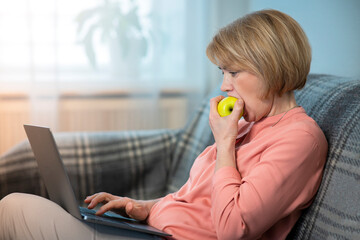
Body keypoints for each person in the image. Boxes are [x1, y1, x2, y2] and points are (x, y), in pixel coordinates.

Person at [0, 9, 327, 240]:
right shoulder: (245, 125)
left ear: (272, 69)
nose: (225, 86)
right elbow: (199, 201)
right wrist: (146, 208)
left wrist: (224, 144)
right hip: (157, 232)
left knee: (14, 210)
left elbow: (231, 227)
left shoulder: (299, 138)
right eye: (222, 73)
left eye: (234, 72)